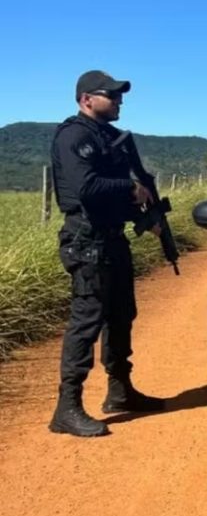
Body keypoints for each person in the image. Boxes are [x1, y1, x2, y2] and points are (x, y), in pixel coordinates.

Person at [48, 70, 165, 437]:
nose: (118, 101)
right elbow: (86, 187)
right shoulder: (74, 135)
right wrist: (130, 188)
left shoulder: (112, 138)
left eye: (119, 96)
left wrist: (147, 216)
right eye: (110, 96)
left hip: (113, 240)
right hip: (86, 241)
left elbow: (125, 191)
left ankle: (120, 391)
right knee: (87, 320)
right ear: (86, 99)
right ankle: (67, 408)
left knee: (121, 315)